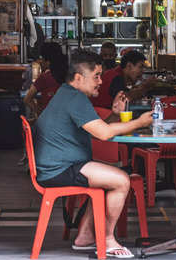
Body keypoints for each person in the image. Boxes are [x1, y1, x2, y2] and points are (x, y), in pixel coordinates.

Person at [35, 50, 152, 257]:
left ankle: (86, 237)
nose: (101, 81)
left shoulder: (69, 94)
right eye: (96, 76)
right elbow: (104, 134)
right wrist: (140, 122)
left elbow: (99, 130)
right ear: (79, 78)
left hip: (60, 165)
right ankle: (106, 239)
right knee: (121, 180)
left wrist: (115, 114)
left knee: (108, 176)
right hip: (59, 169)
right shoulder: (75, 99)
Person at [24, 43, 68, 116]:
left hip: (48, 122)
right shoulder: (70, 76)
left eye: (42, 59)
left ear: (48, 62)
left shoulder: (44, 78)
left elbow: (27, 99)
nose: (40, 62)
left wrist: (38, 112)